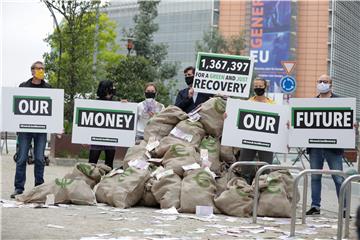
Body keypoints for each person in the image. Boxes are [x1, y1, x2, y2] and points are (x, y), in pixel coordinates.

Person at [305, 74, 353, 216]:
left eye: (325, 81)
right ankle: (315, 206)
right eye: (319, 81)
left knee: (338, 177)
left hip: (333, 147)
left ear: (331, 84)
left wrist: (352, 124)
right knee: (315, 176)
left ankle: (344, 209)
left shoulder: (340, 102)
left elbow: (347, 121)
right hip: (315, 147)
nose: (322, 84)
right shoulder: (311, 103)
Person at [11, 61, 51, 198]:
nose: (41, 71)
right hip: (24, 130)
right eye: (38, 68)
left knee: (40, 159)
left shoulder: (48, 88)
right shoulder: (23, 87)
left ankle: (39, 188)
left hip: (41, 130)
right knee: (22, 158)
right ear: (32, 71)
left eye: (43, 69)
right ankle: (18, 188)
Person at [238, 77, 275, 184]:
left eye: (260, 86)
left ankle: (263, 189)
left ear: (265, 87)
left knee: (266, 167)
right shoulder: (247, 103)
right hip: (249, 140)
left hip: (266, 141)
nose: (258, 88)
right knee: (244, 166)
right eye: (256, 86)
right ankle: (246, 188)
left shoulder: (272, 104)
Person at [88, 80, 117, 169]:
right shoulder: (94, 104)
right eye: (111, 87)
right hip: (96, 137)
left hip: (110, 138)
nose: (113, 89)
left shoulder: (116, 103)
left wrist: (125, 105)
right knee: (91, 165)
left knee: (109, 165)